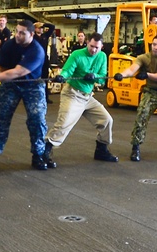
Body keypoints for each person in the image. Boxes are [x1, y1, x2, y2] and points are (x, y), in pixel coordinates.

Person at [0, 20, 50, 172]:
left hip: (33, 84)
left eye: (22, 33)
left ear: (31, 34)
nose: (18, 35)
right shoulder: (9, 45)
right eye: (16, 31)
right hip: (11, 84)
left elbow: (18, 72)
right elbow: (3, 68)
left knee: (37, 118)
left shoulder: (37, 50)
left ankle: (38, 155)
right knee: (1, 117)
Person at [45, 32, 118, 164]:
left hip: (88, 97)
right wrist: (62, 76)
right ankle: (46, 149)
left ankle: (101, 150)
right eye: (92, 46)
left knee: (107, 120)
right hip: (72, 94)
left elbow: (102, 79)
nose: (94, 50)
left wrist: (95, 76)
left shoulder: (102, 56)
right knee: (64, 122)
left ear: (101, 47)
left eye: (97, 47)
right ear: (87, 43)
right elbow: (67, 70)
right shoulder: (77, 54)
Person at [33, 21, 56, 104]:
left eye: (42, 28)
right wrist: (34, 25)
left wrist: (43, 24)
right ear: (35, 29)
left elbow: (52, 27)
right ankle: (35, 97)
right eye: (39, 28)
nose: (41, 29)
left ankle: (46, 97)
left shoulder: (45, 36)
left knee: (45, 79)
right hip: (35, 60)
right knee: (35, 79)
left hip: (44, 60)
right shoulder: (32, 37)